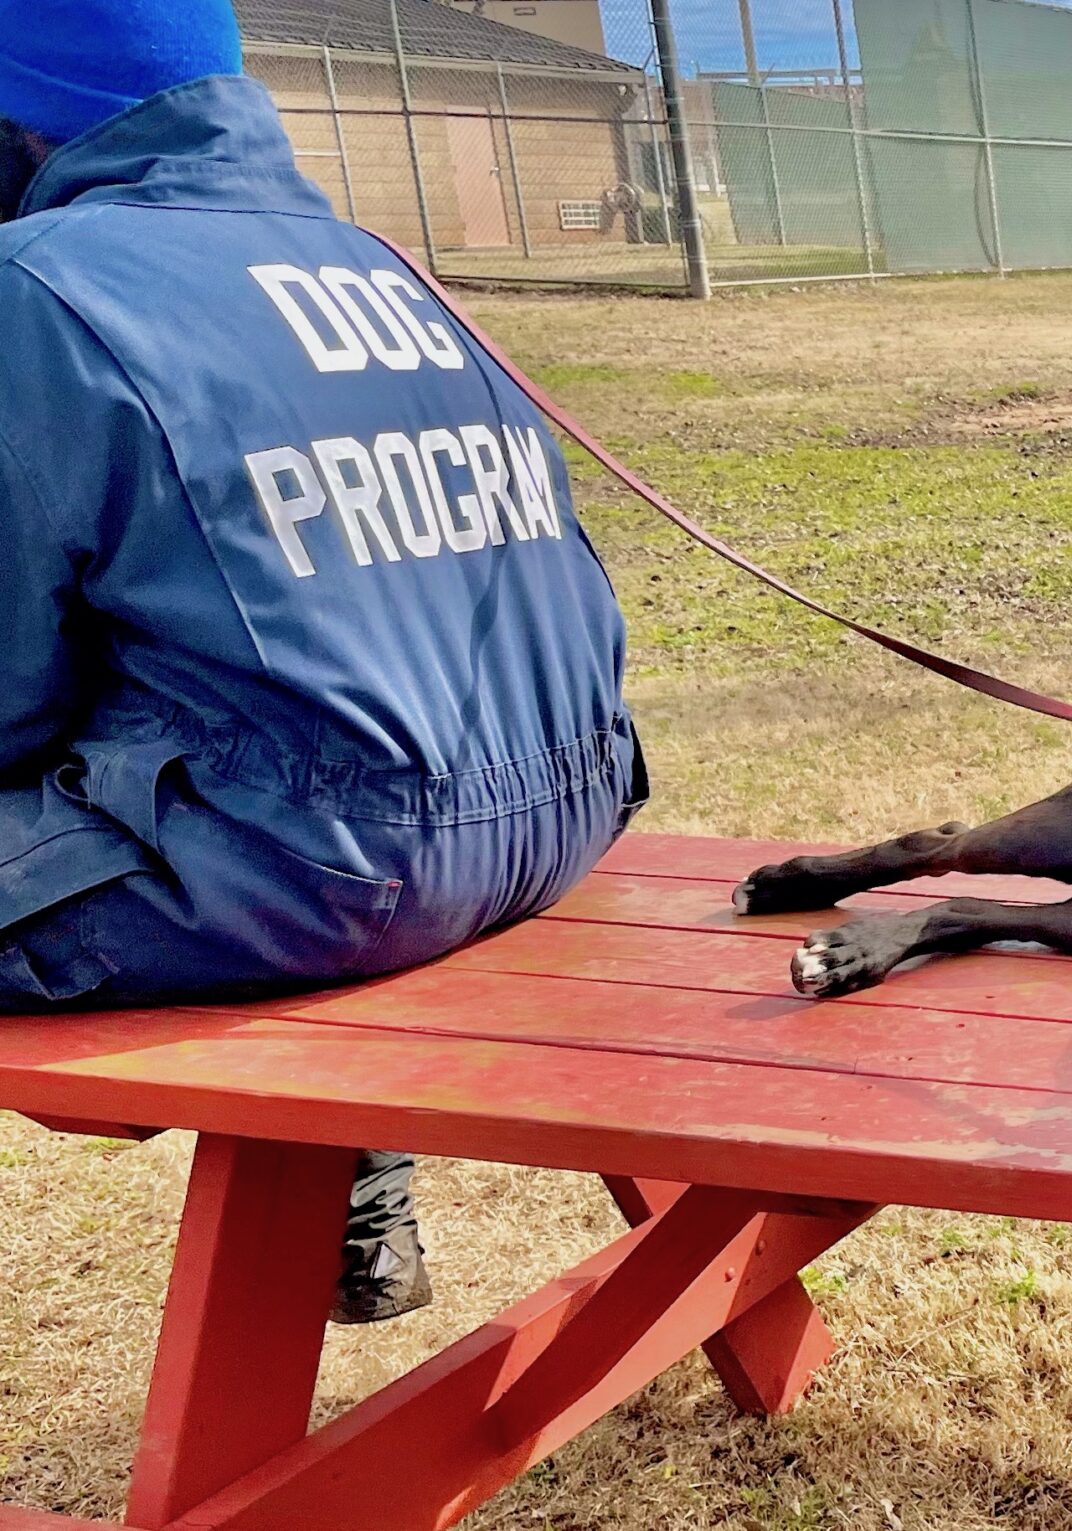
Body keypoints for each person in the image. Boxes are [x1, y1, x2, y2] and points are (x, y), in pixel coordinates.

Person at [0, 3, 643, 1322]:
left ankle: (339, 1167)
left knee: (177, 752)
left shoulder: (37, 287)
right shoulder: (368, 261)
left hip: (326, 860)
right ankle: (357, 1175)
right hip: (560, 801)